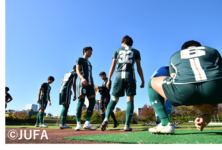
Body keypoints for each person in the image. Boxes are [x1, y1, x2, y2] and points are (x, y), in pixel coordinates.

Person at [149, 40, 222, 134]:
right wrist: (212, 105)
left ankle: (164, 124)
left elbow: (173, 79)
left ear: (182, 50)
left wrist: (197, 104)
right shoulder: (212, 51)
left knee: (152, 83)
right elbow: (218, 75)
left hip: (184, 92)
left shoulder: (175, 55)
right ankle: (207, 111)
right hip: (215, 90)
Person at [101, 35, 145, 131]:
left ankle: (106, 118)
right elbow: (138, 67)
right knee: (130, 100)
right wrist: (142, 80)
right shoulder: (136, 51)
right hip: (130, 76)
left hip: (118, 76)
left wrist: (108, 80)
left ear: (123, 42)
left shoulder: (117, 51)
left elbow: (112, 66)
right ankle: (126, 125)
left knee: (114, 100)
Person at [75, 47, 97, 131]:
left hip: (90, 85)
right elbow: (77, 70)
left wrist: (94, 85)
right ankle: (78, 123)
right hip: (82, 83)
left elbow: (91, 75)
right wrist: (82, 78)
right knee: (81, 102)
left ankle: (87, 123)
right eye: (90, 51)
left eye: (92, 51)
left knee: (92, 102)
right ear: (85, 51)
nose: (91, 52)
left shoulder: (90, 63)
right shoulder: (79, 59)